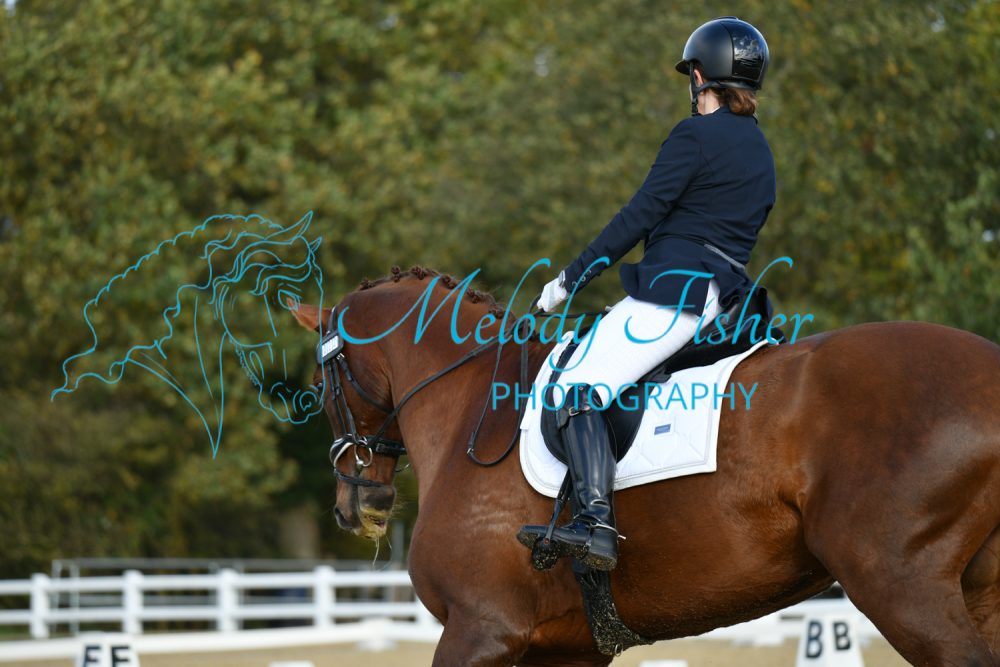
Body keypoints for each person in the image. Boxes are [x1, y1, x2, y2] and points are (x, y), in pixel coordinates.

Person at [518, 17, 776, 571]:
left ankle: (595, 523)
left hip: (675, 292)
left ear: (700, 76)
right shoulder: (761, 151)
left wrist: (568, 280)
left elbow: (637, 216)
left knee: (578, 388)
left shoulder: (695, 135)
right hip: (726, 298)